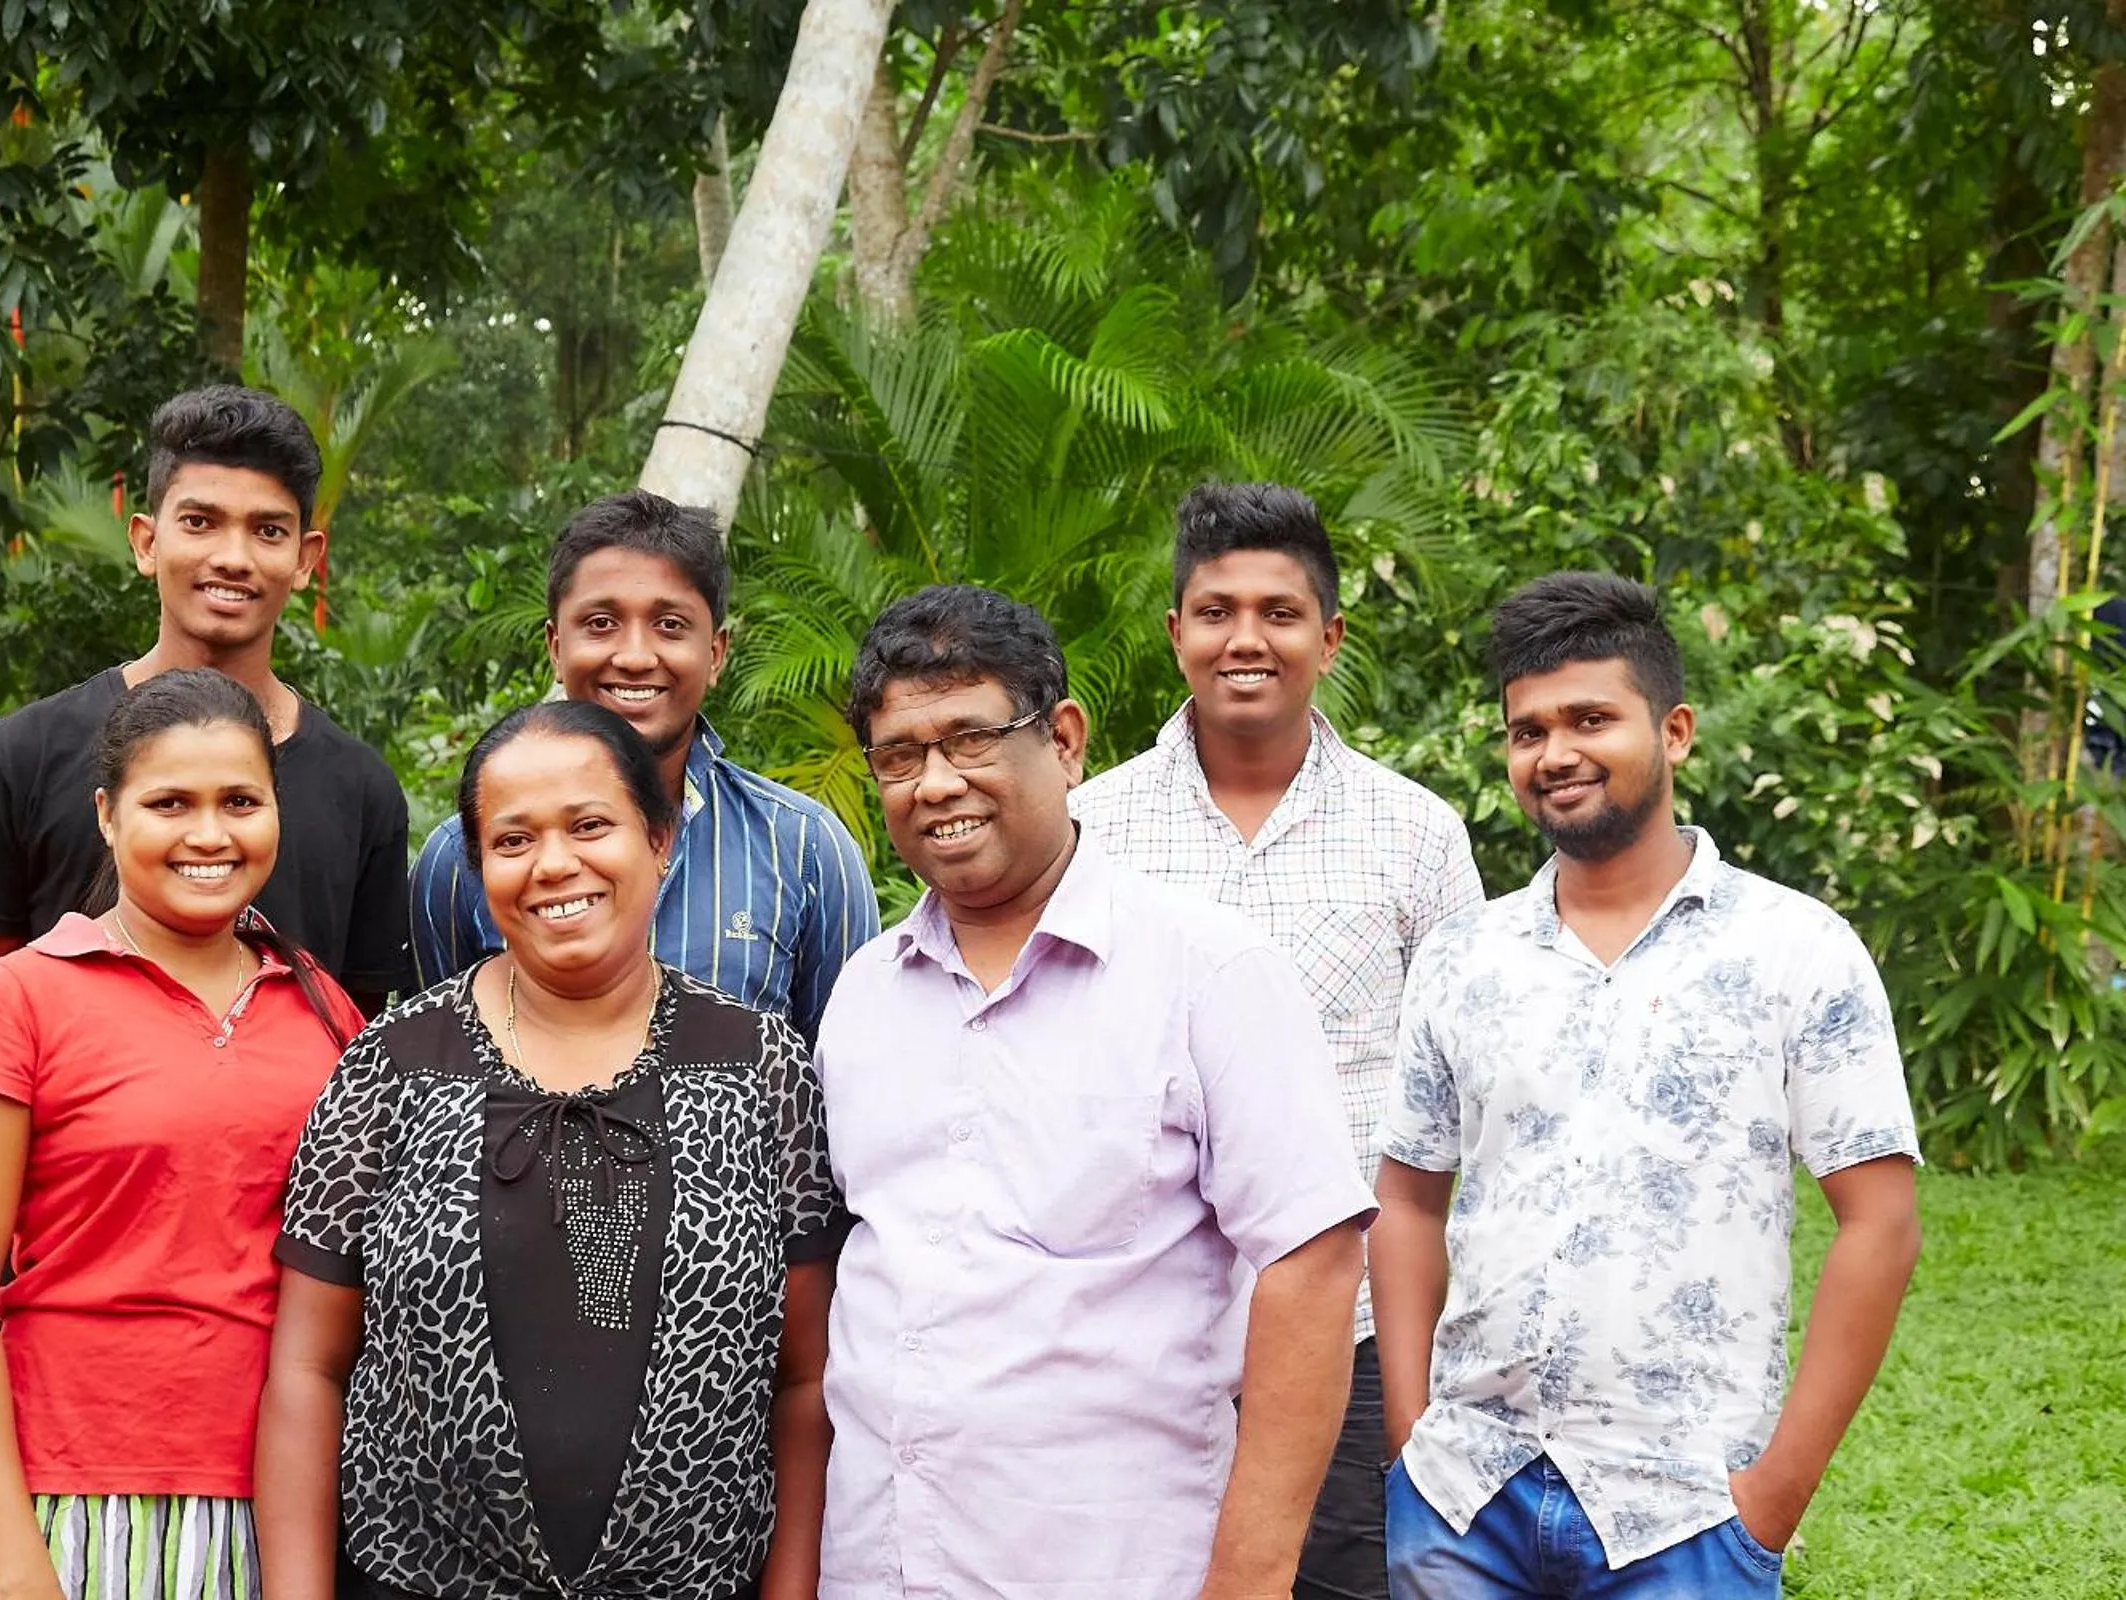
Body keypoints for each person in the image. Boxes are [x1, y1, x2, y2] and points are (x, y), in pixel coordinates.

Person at [815, 584, 1378, 1599]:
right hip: (880, 1568)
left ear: (1065, 739)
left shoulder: (1208, 973)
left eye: (971, 738)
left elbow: (1315, 1259)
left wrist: (1249, 1581)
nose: (935, 783)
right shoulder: (862, 995)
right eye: (900, 755)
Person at [1371, 573, 1923, 1599]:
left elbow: (1880, 1222)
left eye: (1590, 718)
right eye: (1527, 729)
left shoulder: (1797, 948)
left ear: (1673, 731)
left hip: (1687, 1516)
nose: (1556, 752)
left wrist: (1773, 1497)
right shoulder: (1463, 957)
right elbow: (1406, 1197)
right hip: (1462, 1499)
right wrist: (1411, 1441)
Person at [257, 699, 843, 1600]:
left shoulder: (758, 1064)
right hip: (418, 1579)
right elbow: (307, 1367)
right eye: (514, 840)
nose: (555, 864)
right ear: (480, 866)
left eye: (591, 825)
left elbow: (803, 1382)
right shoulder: (396, 1065)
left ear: (660, 843)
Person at [1071, 483, 1482, 1600]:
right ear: (1175, 633)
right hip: (1135, 1334)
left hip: (1348, 1335)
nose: (1245, 638)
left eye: (1279, 611)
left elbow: (1463, 1112)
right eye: (1215, 611)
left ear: (1330, 636)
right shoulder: (1088, 831)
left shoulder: (1416, 833)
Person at [0, 668, 364, 1600]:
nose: (209, 834)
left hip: (283, 1507)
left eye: (241, 800)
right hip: (75, 1506)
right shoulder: (22, 999)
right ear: (109, 816)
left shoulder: (325, 1009)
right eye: (170, 802)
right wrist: (22, 1569)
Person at [0, 384, 411, 1015]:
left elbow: (358, 1045)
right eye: (200, 522)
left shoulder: (362, 790)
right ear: (147, 542)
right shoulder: (19, 757)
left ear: (305, 558)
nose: (232, 557)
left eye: (268, 530)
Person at [408, 490, 877, 1039]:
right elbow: (435, 1073)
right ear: (556, 646)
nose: (634, 657)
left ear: (717, 653)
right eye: (601, 623)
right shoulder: (463, 855)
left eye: (671, 625)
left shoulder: (804, 852)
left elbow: (845, 1088)